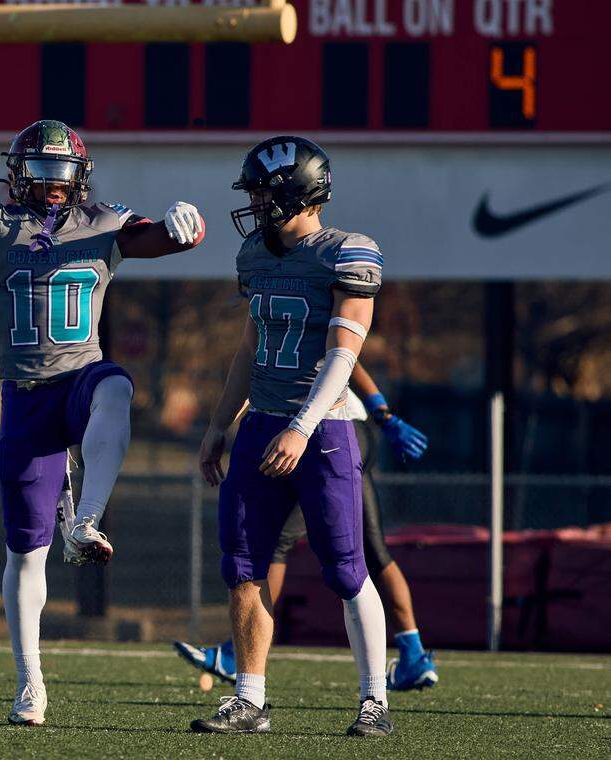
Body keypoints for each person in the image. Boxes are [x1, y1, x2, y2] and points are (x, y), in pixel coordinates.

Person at [0, 120, 206, 726]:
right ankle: (30, 683)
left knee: (116, 383)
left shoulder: (104, 222)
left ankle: (86, 517)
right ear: (16, 173)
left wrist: (185, 226)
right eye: (40, 171)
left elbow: (158, 238)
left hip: (77, 380)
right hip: (26, 397)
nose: (53, 186)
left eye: (63, 173)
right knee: (24, 555)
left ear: (81, 176)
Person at [190, 136, 393, 737]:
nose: (253, 202)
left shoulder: (349, 252)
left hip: (324, 430)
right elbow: (251, 348)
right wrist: (218, 427)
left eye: (261, 190)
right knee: (242, 564)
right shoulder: (255, 255)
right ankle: (250, 699)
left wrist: (302, 427)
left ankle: (374, 700)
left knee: (346, 567)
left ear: (295, 193)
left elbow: (343, 353)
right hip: (260, 427)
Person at [174, 364, 438, 691]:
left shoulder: (294, 318)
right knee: (370, 550)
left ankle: (235, 655)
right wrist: (383, 416)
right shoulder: (278, 323)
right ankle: (413, 654)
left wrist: (221, 426)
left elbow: (343, 358)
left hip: (327, 435)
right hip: (345, 432)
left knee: (289, 549)